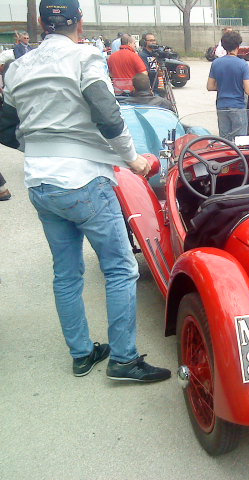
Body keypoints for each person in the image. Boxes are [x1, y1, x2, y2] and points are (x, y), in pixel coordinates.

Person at [0, 0, 171, 382]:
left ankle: (81, 354)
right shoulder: (86, 57)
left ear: (41, 23)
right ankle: (124, 359)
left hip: (40, 183)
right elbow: (109, 116)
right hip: (84, 181)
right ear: (79, 22)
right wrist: (133, 160)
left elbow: (4, 125)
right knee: (121, 268)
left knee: (66, 273)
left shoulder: (18, 67)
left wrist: (41, 146)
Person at [207, 30, 249, 140]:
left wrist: (223, 85)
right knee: (239, 140)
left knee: (225, 140)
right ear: (238, 46)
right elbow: (248, 90)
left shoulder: (216, 63)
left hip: (222, 106)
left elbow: (210, 86)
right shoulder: (242, 64)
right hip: (238, 106)